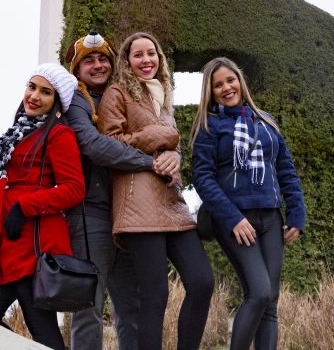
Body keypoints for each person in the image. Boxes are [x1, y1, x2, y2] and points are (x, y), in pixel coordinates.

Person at [62, 31, 181, 350]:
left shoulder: (131, 96)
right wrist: (148, 163)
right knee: (89, 306)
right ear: (76, 69)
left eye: (104, 58)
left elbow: (164, 134)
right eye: (89, 60)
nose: (98, 65)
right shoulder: (75, 101)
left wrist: (173, 154)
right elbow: (94, 146)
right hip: (92, 213)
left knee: (131, 307)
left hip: (129, 214)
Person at [97, 31, 214, 350]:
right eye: (138, 55)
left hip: (172, 201)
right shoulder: (117, 93)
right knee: (154, 295)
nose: (146, 60)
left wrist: (174, 154)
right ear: (126, 60)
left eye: (152, 54)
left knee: (202, 282)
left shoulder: (162, 94)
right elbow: (109, 145)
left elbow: (170, 143)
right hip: (137, 203)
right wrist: (157, 136)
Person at [191, 57, 306, 350]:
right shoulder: (209, 125)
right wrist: (232, 219)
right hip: (234, 221)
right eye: (218, 85)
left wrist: (296, 213)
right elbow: (203, 178)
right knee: (259, 292)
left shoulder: (266, 121)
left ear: (240, 81)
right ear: (210, 91)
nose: (226, 88)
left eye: (230, 80)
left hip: (270, 217)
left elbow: (286, 170)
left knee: (270, 302)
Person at [0, 64, 86, 350]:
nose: (34, 96)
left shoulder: (59, 135)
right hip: (2, 247)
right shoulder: (15, 134)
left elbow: (75, 188)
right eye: (32, 87)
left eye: (45, 92)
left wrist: (24, 206)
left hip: (33, 251)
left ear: (57, 102)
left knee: (44, 334)